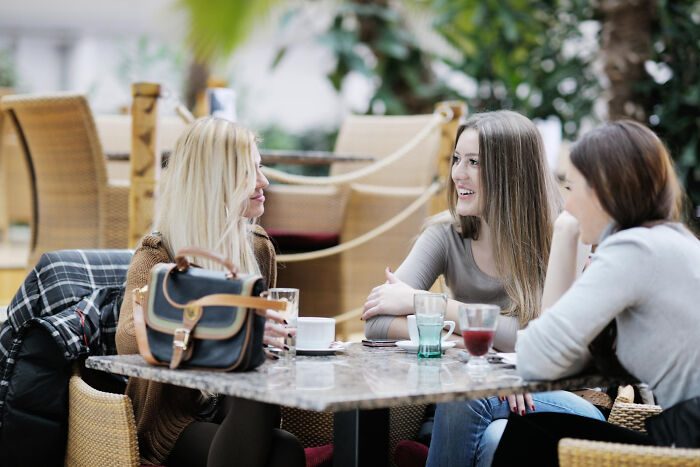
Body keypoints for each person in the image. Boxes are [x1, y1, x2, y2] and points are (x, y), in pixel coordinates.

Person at [361, 110, 604, 467]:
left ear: (512, 172)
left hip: (558, 397)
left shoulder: (565, 233)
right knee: (493, 438)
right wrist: (468, 347)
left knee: (467, 394)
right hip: (479, 401)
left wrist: (435, 306)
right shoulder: (446, 235)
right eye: (457, 159)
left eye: (474, 162)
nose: (458, 173)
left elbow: (543, 345)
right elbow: (376, 323)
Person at [492, 120, 700, 466]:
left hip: (688, 446)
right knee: (535, 429)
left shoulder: (633, 249)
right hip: (686, 435)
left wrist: (564, 234)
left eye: (571, 189)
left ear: (602, 190)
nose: (567, 207)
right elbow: (569, 357)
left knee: (528, 433)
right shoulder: (677, 240)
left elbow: (535, 358)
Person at [116, 117, 305, 467]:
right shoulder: (159, 253)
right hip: (172, 420)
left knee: (287, 449)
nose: (264, 182)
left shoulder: (259, 249)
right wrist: (235, 328)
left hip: (239, 408)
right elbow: (129, 337)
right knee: (280, 453)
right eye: (249, 173)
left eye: (260, 168)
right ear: (214, 180)